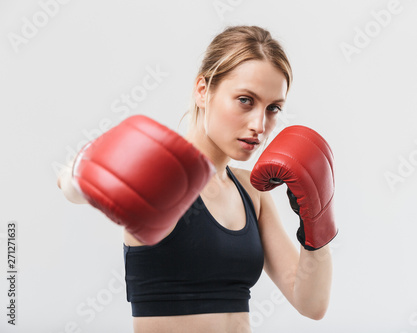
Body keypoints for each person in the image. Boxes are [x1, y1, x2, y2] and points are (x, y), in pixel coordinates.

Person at [58, 25, 336, 333]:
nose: (260, 124)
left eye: (273, 108)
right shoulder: (161, 173)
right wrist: (76, 176)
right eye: (245, 100)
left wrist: (316, 223)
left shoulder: (251, 191)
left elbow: (311, 304)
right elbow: (75, 184)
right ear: (203, 91)